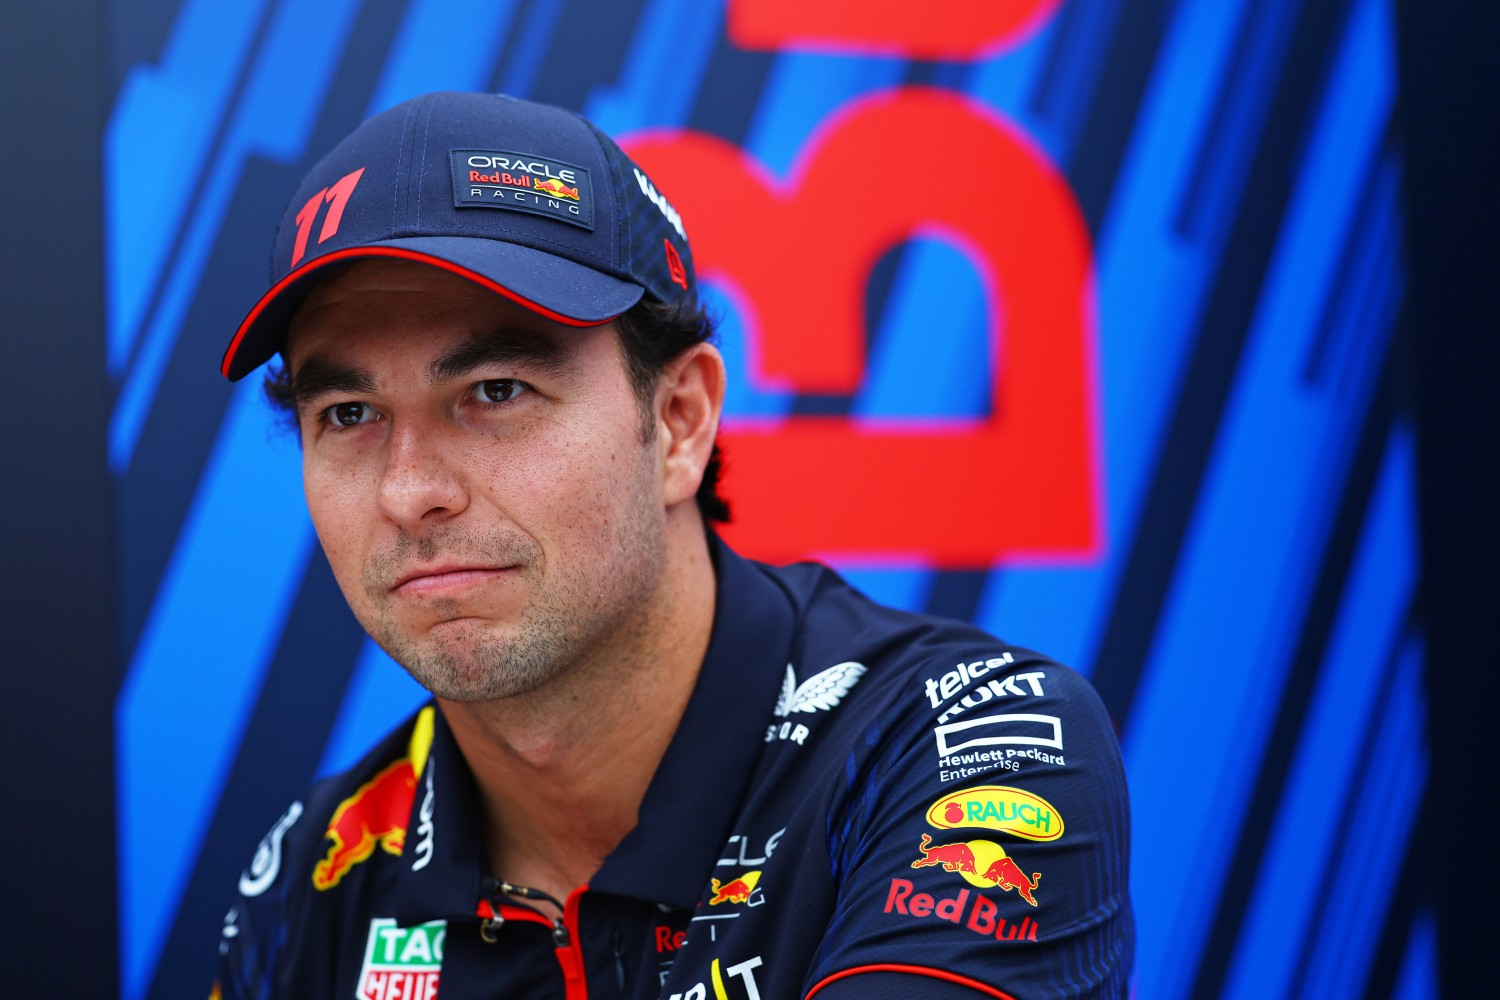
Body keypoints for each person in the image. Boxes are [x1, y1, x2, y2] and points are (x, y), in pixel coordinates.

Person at [212, 91, 1133, 999]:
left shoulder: (964, 746)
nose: (411, 492)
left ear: (680, 421)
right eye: (349, 413)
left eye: (495, 392)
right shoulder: (317, 875)